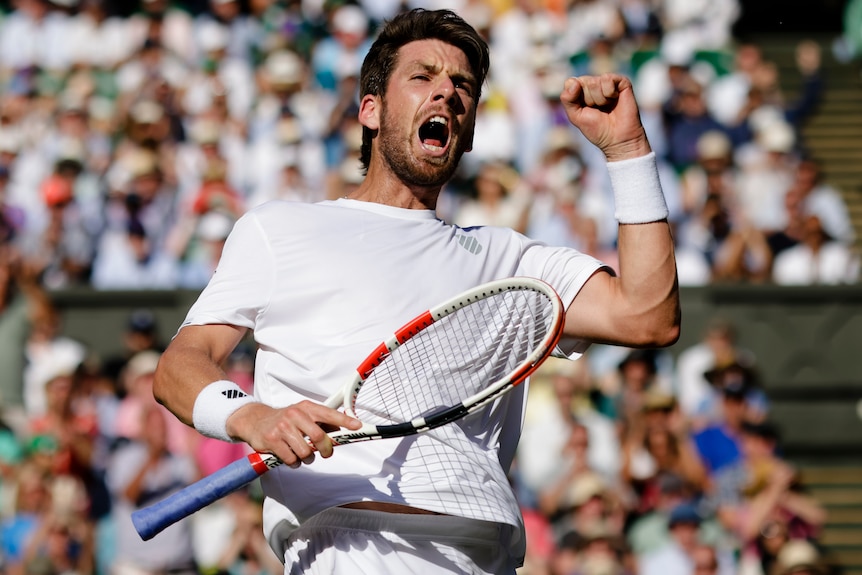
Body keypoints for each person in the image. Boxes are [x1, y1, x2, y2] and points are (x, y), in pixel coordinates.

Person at [152, 8, 680, 574]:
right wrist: (251, 418)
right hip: (347, 551)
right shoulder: (277, 228)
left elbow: (647, 317)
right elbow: (180, 366)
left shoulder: (512, 260)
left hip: (477, 557)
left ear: (471, 130)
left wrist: (627, 152)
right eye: (423, 76)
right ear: (370, 110)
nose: (447, 93)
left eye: (463, 86)